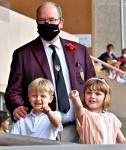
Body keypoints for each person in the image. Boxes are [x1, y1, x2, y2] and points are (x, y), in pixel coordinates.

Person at [4, 2, 96, 142]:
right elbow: (13, 91)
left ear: (61, 22)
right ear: (37, 23)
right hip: (41, 132)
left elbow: (92, 84)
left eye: (52, 20)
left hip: (78, 129)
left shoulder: (79, 50)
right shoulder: (23, 54)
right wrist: (16, 107)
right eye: (42, 20)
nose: (47, 24)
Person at [69, 77, 126, 144]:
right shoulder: (84, 114)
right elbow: (78, 107)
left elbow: (122, 140)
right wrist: (75, 98)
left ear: (105, 97)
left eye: (98, 94)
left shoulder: (112, 118)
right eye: (89, 93)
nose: (92, 96)